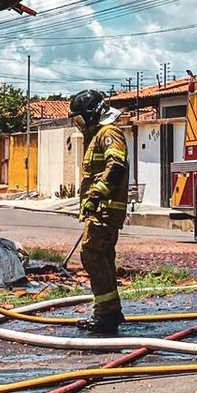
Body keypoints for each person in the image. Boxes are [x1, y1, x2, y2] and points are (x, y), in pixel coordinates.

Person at [68, 88, 129, 334]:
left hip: (104, 209)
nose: (79, 125)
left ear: (92, 114)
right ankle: (109, 311)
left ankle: (107, 315)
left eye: (80, 119)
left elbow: (116, 166)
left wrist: (96, 194)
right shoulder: (99, 135)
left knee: (92, 255)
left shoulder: (108, 133)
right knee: (102, 257)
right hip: (100, 210)